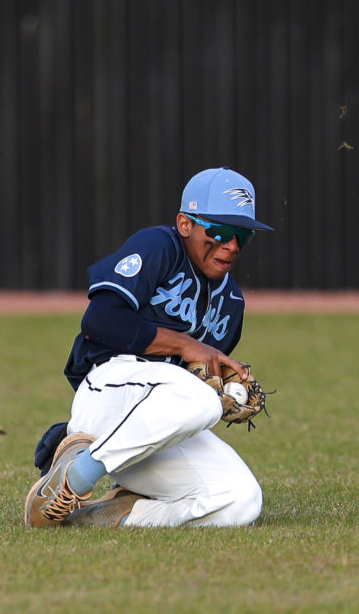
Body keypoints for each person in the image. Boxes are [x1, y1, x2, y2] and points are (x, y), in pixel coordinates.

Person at [24, 167, 274, 528]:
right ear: (185, 223)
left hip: (149, 431)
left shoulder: (231, 302)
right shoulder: (161, 247)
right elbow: (101, 321)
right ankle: (74, 476)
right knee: (197, 400)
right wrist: (187, 346)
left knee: (241, 502)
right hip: (109, 387)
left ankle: (99, 516)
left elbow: (192, 386)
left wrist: (223, 392)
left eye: (242, 236)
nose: (231, 245)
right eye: (220, 231)